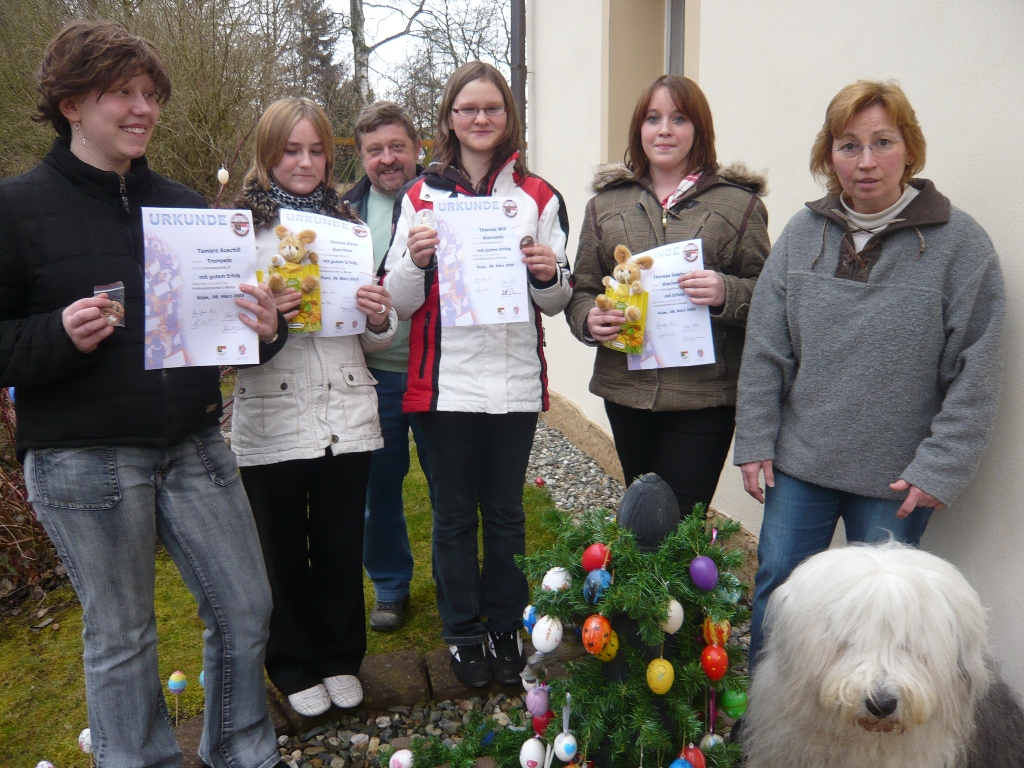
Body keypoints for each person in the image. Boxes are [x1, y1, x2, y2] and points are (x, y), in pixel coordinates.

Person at [0, 20, 287, 768]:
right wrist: (56, 335)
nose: (143, 109)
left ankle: (242, 753)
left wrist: (264, 329)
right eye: (121, 93)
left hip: (192, 442)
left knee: (246, 606)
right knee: (123, 636)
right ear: (70, 103)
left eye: (151, 94)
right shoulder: (16, 208)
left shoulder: (185, 207)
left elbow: (227, 336)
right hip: (82, 458)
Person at [734, 80, 1005, 670]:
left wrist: (940, 467)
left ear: (909, 148)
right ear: (828, 155)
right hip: (800, 465)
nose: (866, 161)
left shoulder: (961, 246)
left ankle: (860, 725)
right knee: (781, 593)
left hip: (897, 480)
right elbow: (765, 347)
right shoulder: (802, 235)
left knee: (882, 620)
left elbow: (977, 370)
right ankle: (768, 716)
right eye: (848, 145)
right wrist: (754, 438)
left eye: (882, 142)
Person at [383, 61, 572, 687]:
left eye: (492, 107)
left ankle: (505, 624)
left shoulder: (539, 196)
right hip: (446, 385)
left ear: (508, 116)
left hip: (514, 381)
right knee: (455, 516)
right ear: (450, 117)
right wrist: (414, 262)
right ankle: (463, 632)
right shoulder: (420, 196)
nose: (481, 118)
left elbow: (557, 299)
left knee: (507, 514)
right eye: (468, 108)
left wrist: (547, 273)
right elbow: (396, 301)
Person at [231, 97, 396, 716]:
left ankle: (339, 656)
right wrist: (264, 321)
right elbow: (219, 341)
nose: (304, 162)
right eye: (291, 150)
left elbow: (371, 332)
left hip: (345, 412)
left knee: (338, 544)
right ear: (267, 153)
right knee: (279, 550)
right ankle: (293, 662)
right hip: (271, 412)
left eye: (317, 150)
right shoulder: (239, 229)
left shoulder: (348, 225)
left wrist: (378, 315)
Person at [565, 74, 769, 518]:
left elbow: (769, 295)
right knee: (642, 517)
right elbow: (584, 286)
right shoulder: (606, 204)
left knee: (678, 523)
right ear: (639, 128)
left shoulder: (738, 205)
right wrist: (589, 320)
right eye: (653, 118)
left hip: (703, 397)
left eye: (679, 119)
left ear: (699, 128)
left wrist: (726, 291)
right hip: (627, 391)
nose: (664, 130)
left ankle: (683, 567)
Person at [342, 101, 434, 633]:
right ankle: (391, 585)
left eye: (397, 146)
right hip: (373, 372)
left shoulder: (442, 201)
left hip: (436, 369)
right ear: (361, 157)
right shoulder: (341, 214)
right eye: (375, 150)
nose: (388, 158)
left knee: (450, 489)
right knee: (378, 491)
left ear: (417, 148)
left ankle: (455, 580)